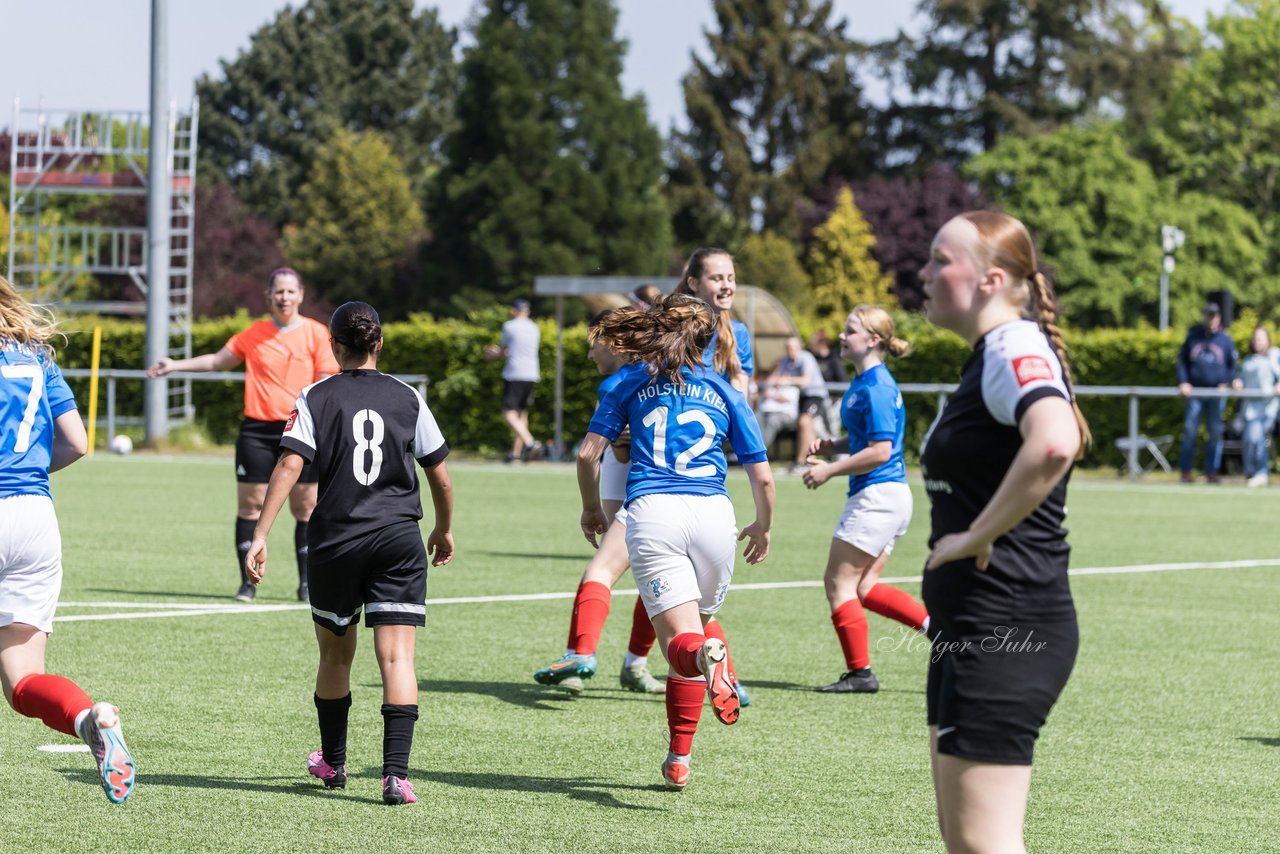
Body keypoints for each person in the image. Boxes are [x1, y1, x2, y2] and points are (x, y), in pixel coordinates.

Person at [917, 211, 1091, 853]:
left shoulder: (1012, 346)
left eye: (940, 260)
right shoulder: (991, 355)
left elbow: (1054, 441)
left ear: (991, 279)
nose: (925, 273)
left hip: (1005, 628)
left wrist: (975, 536)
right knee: (968, 843)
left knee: (986, 846)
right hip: (967, 630)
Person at [244, 300, 454, 807]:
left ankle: (334, 764)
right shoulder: (408, 397)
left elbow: (291, 466)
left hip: (337, 540)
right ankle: (396, 777)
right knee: (397, 656)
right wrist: (444, 529)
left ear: (334, 346)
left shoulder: (316, 395)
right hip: (399, 539)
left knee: (336, 655)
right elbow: (440, 475)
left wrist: (261, 533)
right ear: (379, 344)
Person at [576, 293, 775, 790]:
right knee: (697, 630)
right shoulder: (725, 390)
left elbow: (587, 456)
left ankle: (708, 659)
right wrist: (763, 525)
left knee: (682, 648)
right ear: (708, 341)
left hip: (655, 514)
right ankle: (679, 759)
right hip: (715, 516)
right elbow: (763, 476)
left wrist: (592, 508)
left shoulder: (627, 381)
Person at [0, 275, 135, 803]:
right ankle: (89, 718)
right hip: (36, 517)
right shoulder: (38, 357)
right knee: (23, 681)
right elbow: (77, 443)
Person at [147, 267, 338, 602]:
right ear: (268, 296)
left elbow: (325, 383)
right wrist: (175, 365)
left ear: (301, 295)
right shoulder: (255, 333)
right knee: (250, 506)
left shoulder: (317, 334)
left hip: (302, 430)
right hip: (257, 431)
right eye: (278, 291)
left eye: (290, 291)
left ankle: (307, 585)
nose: (284, 298)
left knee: (306, 507)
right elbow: (219, 361)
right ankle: (247, 583)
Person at [533, 310, 664, 696]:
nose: (591, 355)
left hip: (638, 480)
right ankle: (609, 660)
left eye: (595, 346)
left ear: (615, 345)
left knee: (629, 569)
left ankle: (588, 656)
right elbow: (619, 452)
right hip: (632, 480)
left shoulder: (622, 383)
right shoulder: (639, 378)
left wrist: (622, 442)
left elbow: (616, 452)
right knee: (641, 570)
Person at [801, 306, 928, 693]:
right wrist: (834, 445)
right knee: (864, 587)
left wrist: (828, 469)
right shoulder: (865, 381)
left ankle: (861, 674)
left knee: (838, 583)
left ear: (873, 340)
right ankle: (943, 635)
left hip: (877, 496)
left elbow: (881, 451)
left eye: (849, 330)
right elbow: (865, 441)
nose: (842, 336)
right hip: (887, 496)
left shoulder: (876, 387)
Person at [1176, 302, 1237, 483]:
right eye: (1208, 315)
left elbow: (1232, 366)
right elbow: (1182, 362)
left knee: (1215, 433)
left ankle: (1212, 471)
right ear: (1204, 316)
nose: (1210, 318)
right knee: (1190, 432)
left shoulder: (1225, 340)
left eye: (1214, 315)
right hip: (1195, 393)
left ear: (1218, 317)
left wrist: (1225, 382)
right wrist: (1184, 382)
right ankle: (1186, 471)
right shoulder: (1193, 336)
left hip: (1216, 394)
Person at [767, 336, 828, 473]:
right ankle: (811, 461)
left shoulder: (806, 358)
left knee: (804, 422)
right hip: (801, 397)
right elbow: (776, 377)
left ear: (799, 347)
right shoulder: (785, 360)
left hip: (815, 395)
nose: (791, 350)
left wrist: (786, 379)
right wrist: (768, 384)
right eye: (788, 348)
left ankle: (801, 462)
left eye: (793, 348)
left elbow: (805, 380)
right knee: (808, 427)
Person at [491, 298, 542, 463]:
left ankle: (530, 442)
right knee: (522, 414)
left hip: (515, 373)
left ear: (514, 311)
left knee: (508, 414)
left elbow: (501, 350)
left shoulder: (509, 326)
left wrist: (492, 353)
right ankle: (516, 454)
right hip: (532, 373)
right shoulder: (534, 328)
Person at [1232, 326, 1280, 487]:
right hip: (1249, 408)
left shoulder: (1274, 357)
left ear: (1267, 340)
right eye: (1255, 338)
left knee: (1258, 438)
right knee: (1248, 440)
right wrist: (1238, 383)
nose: (1257, 341)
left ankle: (1261, 472)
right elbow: (1240, 377)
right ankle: (1251, 471)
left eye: (1260, 338)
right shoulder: (1248, 360)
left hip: (1267, 408)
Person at [808, 329, 848, 439]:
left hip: (833, 401)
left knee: (833, 430)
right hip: (819, 400)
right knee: (816, 426)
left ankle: (838, 453)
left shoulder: (834, 359)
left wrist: (837, 399)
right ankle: (829, 448)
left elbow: (843, 381)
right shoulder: (814, 359)